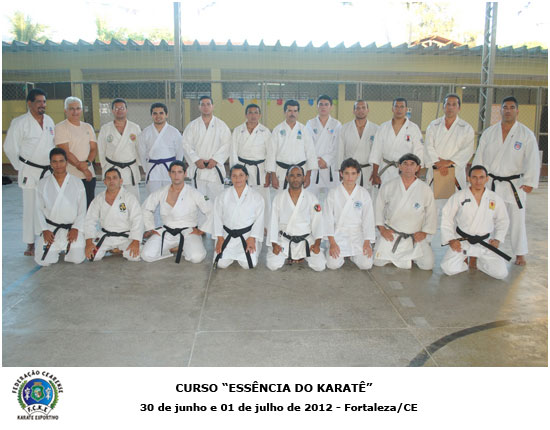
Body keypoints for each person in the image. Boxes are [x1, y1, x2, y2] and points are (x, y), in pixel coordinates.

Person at [472, 96, 540, 266]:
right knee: (486, 217)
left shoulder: (526, 134)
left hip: (514, 184)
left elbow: (532, 159)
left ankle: (520, 253)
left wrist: (530, 181)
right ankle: (483, 249)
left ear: (517, 111)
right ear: (500, 110)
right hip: (492, 182)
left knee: (517, 220)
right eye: (505, 107)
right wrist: (477, 178)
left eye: (511, 107)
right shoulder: (489, 133)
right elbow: (479, 156)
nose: (508, 110)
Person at [4, 88, 55, 256]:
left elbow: (52, 144)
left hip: (47, 171)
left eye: (44, 102)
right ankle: (30, 243)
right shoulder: (20, 122)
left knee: (47, 206)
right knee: (30, 207)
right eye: (38, 101)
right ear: (29, 103)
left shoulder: (49, 121)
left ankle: (48, 238)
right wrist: (20, 167)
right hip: (29, 170)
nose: (42, 105)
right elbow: (10, 147)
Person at [440, 165, 510, 279]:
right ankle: (465, 259)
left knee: (500, 273)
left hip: (485, 242)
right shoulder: (459, 196)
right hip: (462, 241)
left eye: (481, 177)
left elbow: (503, 220)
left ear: (487, 179)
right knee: (448, 268)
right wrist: (451, 239)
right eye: (474, 177)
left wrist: (498, 239)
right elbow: (446, 217)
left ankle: (479, 262)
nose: (478, 181)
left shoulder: (494, 198)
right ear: (469, 178)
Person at [374, 153, 437, 270]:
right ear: (400, 166)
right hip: (392, 234)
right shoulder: (389, 185)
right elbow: (378, 207)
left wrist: (424, 233)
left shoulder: (425, 189)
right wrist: (382, 230)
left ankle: (403, 257)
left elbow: (431, 213)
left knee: (427, 265)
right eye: (405, 164)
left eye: (412, 164)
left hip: (414, 235)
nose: (408, 167)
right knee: (377, 261)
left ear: (418, 168)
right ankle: (406, 258)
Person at [141, 161, 212, 264]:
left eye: (179, 172)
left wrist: (202, 230)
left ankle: (184, 247)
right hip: (167, 232)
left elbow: (211, 210)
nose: (176, 175)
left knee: (196, 257)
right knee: (146, 255)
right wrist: (150, 227)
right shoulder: (161, 192)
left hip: (188, 232)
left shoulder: (194, 193)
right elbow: (146, 208)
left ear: (185, 173)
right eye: (173, 172)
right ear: (169, 174)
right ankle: (174, 248)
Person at [266, 165, 326, 271]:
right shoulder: (279, 198)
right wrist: (274, 244)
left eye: (298, 175)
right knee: (272, 265)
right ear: (287, 178)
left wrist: (317, 244)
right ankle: (291, 255)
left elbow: (318, 222)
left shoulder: (312, 198)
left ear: (304, 178)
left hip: (306, 241)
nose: (295, 179)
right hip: (285, 240)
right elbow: (273, 222)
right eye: (292, 175)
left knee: (319, 266)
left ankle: (301, 255)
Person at [34, 148, 86, 267]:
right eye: (55, 161)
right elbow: (38, 209)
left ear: (67, 162)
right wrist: (44, 229)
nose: (58, 165)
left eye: (61, 161)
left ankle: (68, 247)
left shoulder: (77, 182)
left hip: (71, 229)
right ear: (50, 163)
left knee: (77, 259)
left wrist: (76, 228)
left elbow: (82, 209)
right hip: (51, 229)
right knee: (43, 261)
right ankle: (57, 247)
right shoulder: (42, 183)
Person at [137, 102, 184, 226]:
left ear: (166, 115)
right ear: (151, 115)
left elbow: (180, 153)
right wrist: (147, 169)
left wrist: (176, 171)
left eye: (161, 113)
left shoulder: (174, 132)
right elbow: (141, 153)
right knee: (153, 202)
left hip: (170, 170)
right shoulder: (145, 132)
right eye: (155, 113)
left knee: (171, 200)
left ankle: (171, 227)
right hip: (153, 171)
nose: (158, 116)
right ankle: (155, 228)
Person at [325, 158, 375, 270]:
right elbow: (327, 218)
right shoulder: (333, 193)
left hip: (358, 234)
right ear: (341, 174)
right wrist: (332, 243)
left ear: (358, 174)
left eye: (353, 173)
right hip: (338, 234)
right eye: (346, 173)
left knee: (366, 265)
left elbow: (368, 219)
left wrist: (367, 242)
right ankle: (337, 253)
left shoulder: (363, 193)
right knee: (332, 265)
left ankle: (353, 256)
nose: (350, 177)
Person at [84, 167, 143, 262]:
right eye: (108, 178)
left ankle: (118, 249)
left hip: (125, 236)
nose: (111, 181)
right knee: (91, 256)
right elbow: (90, 220)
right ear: (104, 182)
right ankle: (115, 249)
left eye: (115, 178)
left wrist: (136, 241)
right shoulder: (99, 199)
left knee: (134, 256)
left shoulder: (129, 197)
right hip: (106, 236)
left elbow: (137, 220)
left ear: (121, 181)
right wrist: (89, 242)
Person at [213, 164, 265, 269]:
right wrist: (219, 238)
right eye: (234, 176)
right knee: (221, 264)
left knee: (249, 265)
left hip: (247, 236)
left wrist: (252, 237)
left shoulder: (256, 197)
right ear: (230, 178)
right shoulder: (222, 196)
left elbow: (259, 220)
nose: (238, 179)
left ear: (246, 177)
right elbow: (217, 217)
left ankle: (257, 247)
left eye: (241, 175)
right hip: (227, 235)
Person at [424, 93, 475, 197]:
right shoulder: (433, 125)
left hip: (455, 171)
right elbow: (428, 146)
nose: (451, 107)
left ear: (459, 108)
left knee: (455, 201)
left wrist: (448, 163)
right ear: (443, 107)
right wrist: (438, 163)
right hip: (436, 168)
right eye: (448, 104)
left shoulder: (466, 128)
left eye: (454, 104)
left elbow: (467, 150)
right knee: (433, 201)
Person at [182, 96, 231, 202]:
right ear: (199, 107)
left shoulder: (221, 125)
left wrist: (215, 160)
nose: (206, 107)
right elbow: (185, 144)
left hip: (214, 170)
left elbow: (227, 144)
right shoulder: (192, 126)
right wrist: (196, 160)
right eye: (202, 104)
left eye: (208, 104)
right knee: (199, 201)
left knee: (216, 201)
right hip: (198, 169)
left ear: (213, 106)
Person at [230, 103, 272, 223]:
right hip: (242, 168)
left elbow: (270, 153)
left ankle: (265, 226)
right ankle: (243, 223)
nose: (253, 115)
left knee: (263, 199)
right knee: (243, 195)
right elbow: (233, 151)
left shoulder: (265, 131)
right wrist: (235, 172)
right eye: (250, 112)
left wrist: (269, 173)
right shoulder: (238, 130)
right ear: (246, 115)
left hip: (260, 170)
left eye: (256, 113)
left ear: (260, 115)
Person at [369, 98, 424, 186]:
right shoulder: (383, 127)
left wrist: (417, 173)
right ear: (392, 109)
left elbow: (419, 152)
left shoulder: (413, 128)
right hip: (386, 170)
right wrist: (375, 174)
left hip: (406, 170)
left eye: (402, 107)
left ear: (406, 109)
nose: (399, 109)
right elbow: (376, 151)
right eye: (396, 106)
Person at [54, 96, 97, 208]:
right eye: (71, 109)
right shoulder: (60, 127)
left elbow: (93, 149)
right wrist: (84, 169)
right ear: (65, 111)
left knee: (88, 206)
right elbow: (65, 152)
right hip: (71, 175)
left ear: (81, 110)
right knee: (72, 208)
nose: (75, 112)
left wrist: (87, 163)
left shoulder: (88, 127)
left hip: (89, 175)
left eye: (78, 108)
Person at [267, 100, 317, 190]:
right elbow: (271, 154)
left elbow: (310, 153)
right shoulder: (277, 130)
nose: (292, 114)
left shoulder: (304, 130)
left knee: (299, 198)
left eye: (295, 111)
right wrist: (273, 175)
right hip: (282, 172)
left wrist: (308, 176)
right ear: (284, 112)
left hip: (300, 172)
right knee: (281, 197)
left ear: (298, 113)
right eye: (289, 111)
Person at [97, 98, 142, 199]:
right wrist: (104, 167)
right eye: (116, 108)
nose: (119, 110)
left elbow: (139, 148)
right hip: (112, 168)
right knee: (114, 199)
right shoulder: (105, 128)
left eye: (122, 108)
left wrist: (139, 165)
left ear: (126, 110)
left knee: (133, 199)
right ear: (112, 111)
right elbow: (101, 149)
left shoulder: (134, 127)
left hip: (130, 169)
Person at [337, 100, 379, 191]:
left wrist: (376, 172)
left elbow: (378, 152)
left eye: (363, 108)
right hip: (350, 172)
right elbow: (340, 151)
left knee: (368, 196)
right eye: (358, 108)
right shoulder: (344, 128)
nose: (361, 110)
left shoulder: (376, 129)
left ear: (368, 110)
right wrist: (340, 170)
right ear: (354, 111)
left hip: (368, 170)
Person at [305, 95, 342, 199]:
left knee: (332, 198)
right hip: (314, 165)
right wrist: (316, 161)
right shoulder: (310, 123)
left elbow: (337, 146)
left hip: (330, 167)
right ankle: (313, 211)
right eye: (321, 104)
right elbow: (307, 145)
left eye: (326, 104)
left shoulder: (336, 124)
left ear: (331, 107)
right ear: (317, 106)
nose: (323, 107)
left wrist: (326, 160)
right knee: (311, 198)